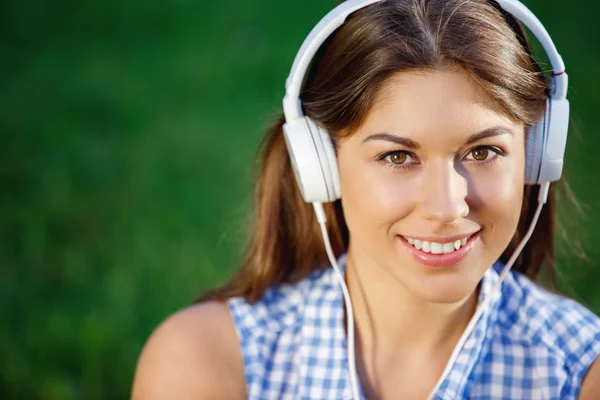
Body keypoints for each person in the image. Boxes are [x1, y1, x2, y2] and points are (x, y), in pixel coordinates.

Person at [131, 0, 600, 398]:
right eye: (398, 156)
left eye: (483, 151)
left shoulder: (578, 373)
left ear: (537, 156)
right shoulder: (206, 365)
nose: (447, 206)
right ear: (322, 166)